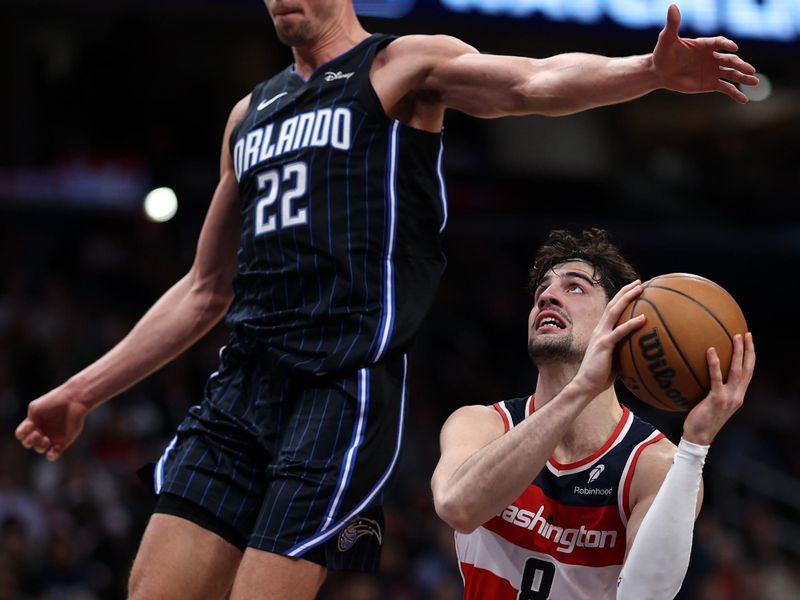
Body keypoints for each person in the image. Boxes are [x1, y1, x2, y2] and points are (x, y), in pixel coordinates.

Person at [15, 1, 758, 598]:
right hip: (243, 385)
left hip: (342, 388)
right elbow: (204, 289)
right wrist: (83, 391)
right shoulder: (250, 116)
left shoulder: (402, 66)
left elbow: (531, 82)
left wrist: (646, 72)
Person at [431, 229, 756, 599]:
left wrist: (695, 444)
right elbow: (458, 507)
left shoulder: (654, 465)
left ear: (619, 321)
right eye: (542, 291)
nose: (547, 296)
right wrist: (581, 388)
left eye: (575, 288)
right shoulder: (481, 424)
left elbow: (644, 594)